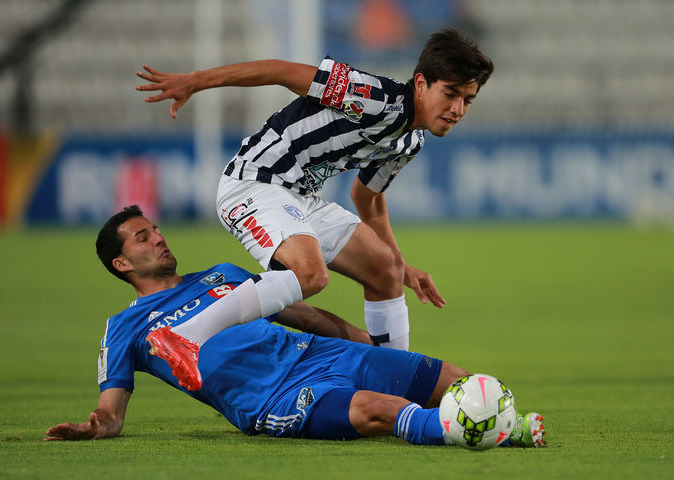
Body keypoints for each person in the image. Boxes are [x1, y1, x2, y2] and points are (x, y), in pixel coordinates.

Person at [44, 206, 545, 447]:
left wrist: (367, 347)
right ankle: (484, 434)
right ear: (121, 265)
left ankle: (504, 421)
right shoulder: (123, 328)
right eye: (141, 238)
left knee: (449, 378)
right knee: (378, 410)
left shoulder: (224, 275)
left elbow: (305, 315)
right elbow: (112, 411)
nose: (158, 239)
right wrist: (95, 426)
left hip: (318, 354)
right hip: (272, 398)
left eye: (155, 230)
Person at [134, 29, 494, 352]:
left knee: (386, 269)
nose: (457, 109)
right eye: (450, 94)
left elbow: (366, 197)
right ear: (420, 83)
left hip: (301, 198)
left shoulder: (409, 142)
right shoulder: (372, 96)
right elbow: (281, 71)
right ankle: (182, 335)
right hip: (253, 182)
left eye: (468, 99)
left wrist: (402, 264)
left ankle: (399, 379)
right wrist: (196, 81)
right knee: (311, 274)